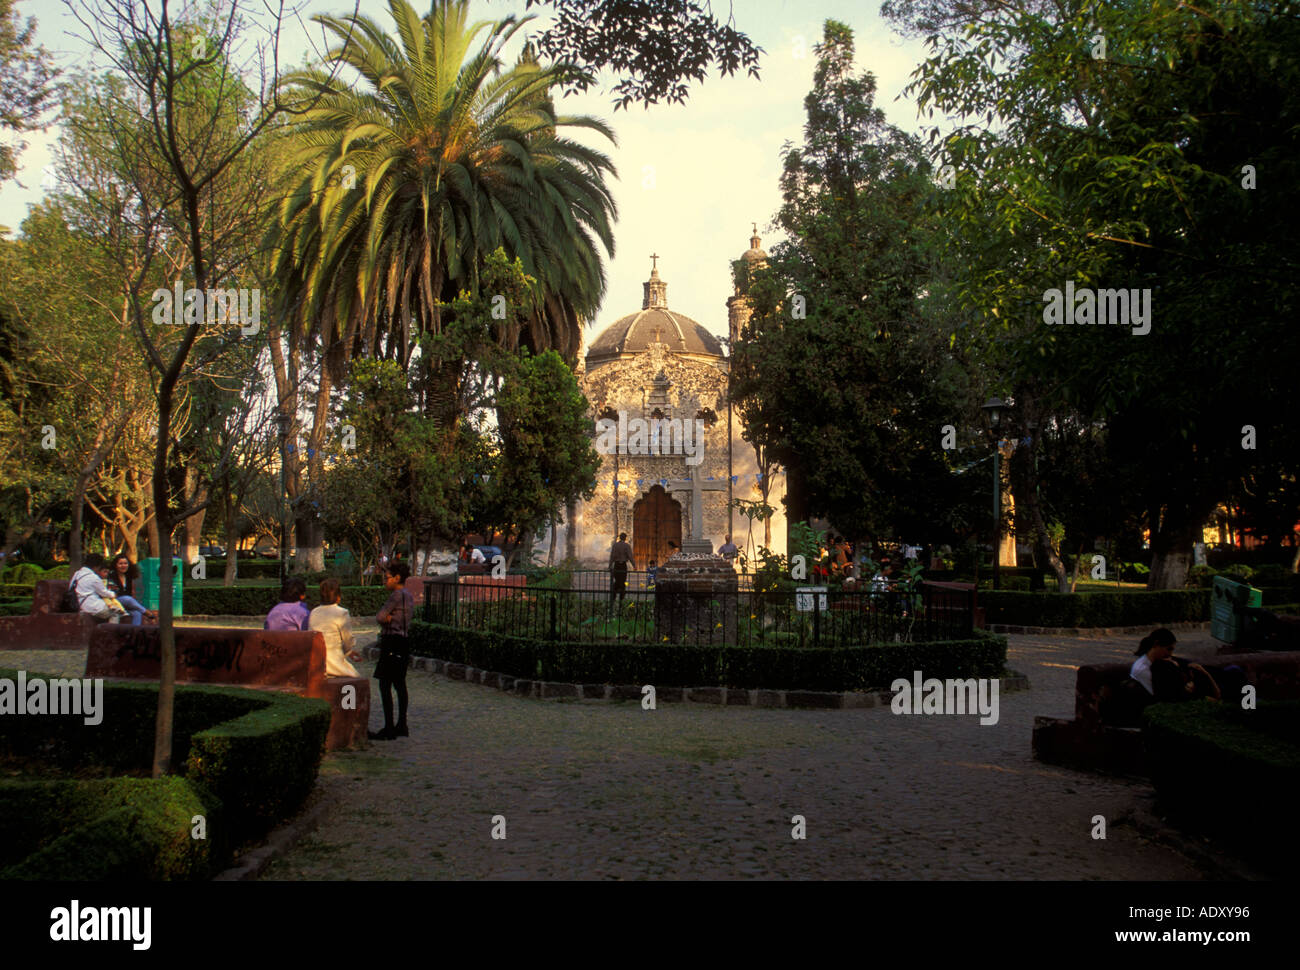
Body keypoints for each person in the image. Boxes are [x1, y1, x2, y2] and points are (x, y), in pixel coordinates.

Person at [372, 562, 415, 740]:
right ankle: (401, 723)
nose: (385, 581)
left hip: (391, 641)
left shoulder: (396, 596)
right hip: (403, 641)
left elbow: (380, 617)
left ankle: (389, 727)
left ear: (397, 578)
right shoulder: (409, 596)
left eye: (387, 577)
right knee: (400, 683)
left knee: (385, 684)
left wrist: (386, 618)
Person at [1131, 628, 1222, 703]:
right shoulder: (1142, 669)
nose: (1170, 654)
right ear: (1156, 644)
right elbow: (1162, 694)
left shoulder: (1162, 661)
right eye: (1168, 649)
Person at [309, 578, 360, 677]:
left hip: (316, 662)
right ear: (338, 597)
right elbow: (348, 640)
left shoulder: (314, 612)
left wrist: (349, 652)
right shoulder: (341, 613)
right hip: (334, 664)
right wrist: (347, 652)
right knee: (356, 678)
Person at [69, 554, 125, 623]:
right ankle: (110, 633)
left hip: (79, 605)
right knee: (115, 613)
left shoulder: (77, 574)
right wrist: (113, 594)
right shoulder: (94, 577)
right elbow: (104, 592)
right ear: (97, 566)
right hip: (92, 606)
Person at [106, 554, 157, 626]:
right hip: (115, 602)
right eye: (120, 563)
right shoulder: (111, 576)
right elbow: (113, 593)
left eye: (125, 563)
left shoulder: (128, 576)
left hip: (128, 604)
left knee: (137, 613)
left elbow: (132, 593)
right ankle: (146, 612)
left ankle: (135, 632)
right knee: (128, 599)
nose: (123, 566)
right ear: (116, 565)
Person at [609, 532, 634, 605]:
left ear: (619, 537)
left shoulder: (615, 545)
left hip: (616, 565)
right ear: (625, 538)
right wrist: (634, 565)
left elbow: (612, 556)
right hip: (623, 565)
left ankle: (613, 596)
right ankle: (621, 598)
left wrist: (610, 565)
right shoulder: (627, 546)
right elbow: (630, 556)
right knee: (622, 580)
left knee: (617, 580)